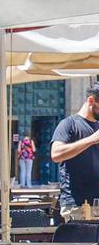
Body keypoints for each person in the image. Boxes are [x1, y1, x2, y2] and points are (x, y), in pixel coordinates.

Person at [51, 83, 99, 211]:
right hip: (75, 203)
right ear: (91, 101)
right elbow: (55, 154)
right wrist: (91, 140)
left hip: (97, 202)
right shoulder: (68, 124)